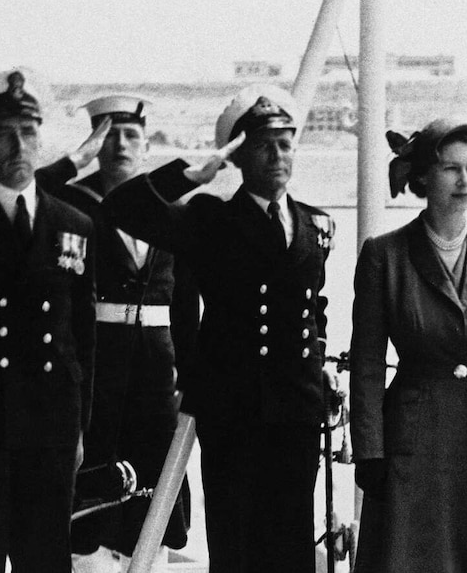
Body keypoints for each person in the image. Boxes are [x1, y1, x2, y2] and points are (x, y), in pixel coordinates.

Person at [100, 84, 336, 573]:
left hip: (297, 409)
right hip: (235, 412)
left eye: (286, 143)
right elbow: (122, 207)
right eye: (263, 144)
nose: (277, 155)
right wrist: (192, 172)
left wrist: (321, 373)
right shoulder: (210, 220)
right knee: (237, 546)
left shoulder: (316, 225)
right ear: (239, 155)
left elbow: (315, 310)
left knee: (293, 544)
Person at [349, 117, 467, 572]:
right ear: (422, 177)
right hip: (415, 441)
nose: (465, 181)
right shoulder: (386, 254)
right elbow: (368, 363)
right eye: (451, 169)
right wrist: (369, 452)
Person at [42, 95, 195, 573]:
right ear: (94, 142)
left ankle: (151, 558)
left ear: (147, 145)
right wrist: (74, 161)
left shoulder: (172, 208)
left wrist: (189, 372)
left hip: (157, 369)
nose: (120, 144)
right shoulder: (70, 202)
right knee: (93, 474)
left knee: (160, 475)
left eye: (131, 135)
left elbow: (186, 302)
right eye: (109, 134)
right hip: (96, 368)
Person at [0, 68, 96, 573]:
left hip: (50, 426)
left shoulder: (74, 225)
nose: (19, 145)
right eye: (3, 133)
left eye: (27, 131)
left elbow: (83, 341)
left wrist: (80, 429)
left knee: (45, 558)